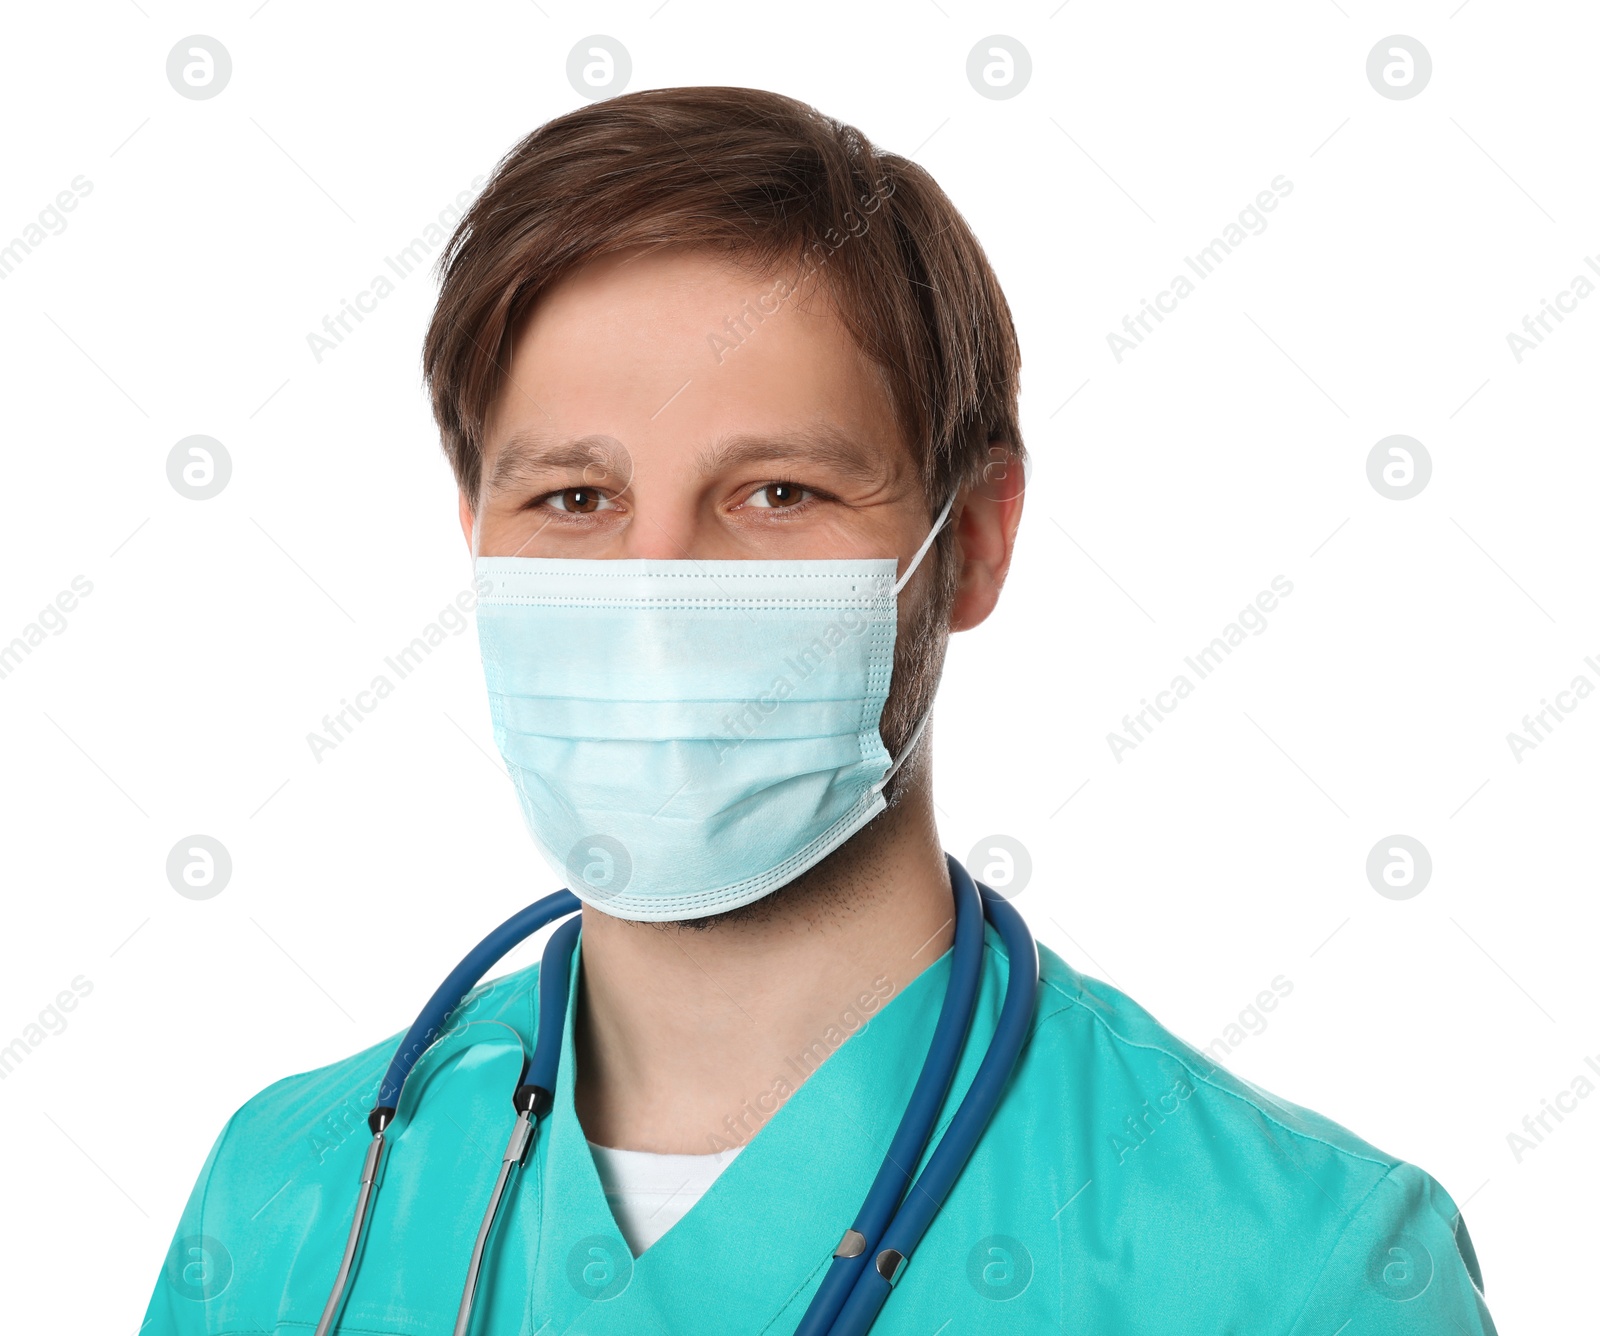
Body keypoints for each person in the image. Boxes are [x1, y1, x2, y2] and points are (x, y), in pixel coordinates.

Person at [142, 87, 1497, 1335]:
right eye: (574, 499)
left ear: (970, 541)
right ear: (476, 540)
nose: (656, 591)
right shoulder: (291, 1205)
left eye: (775, 493)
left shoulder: (1296, 1267)